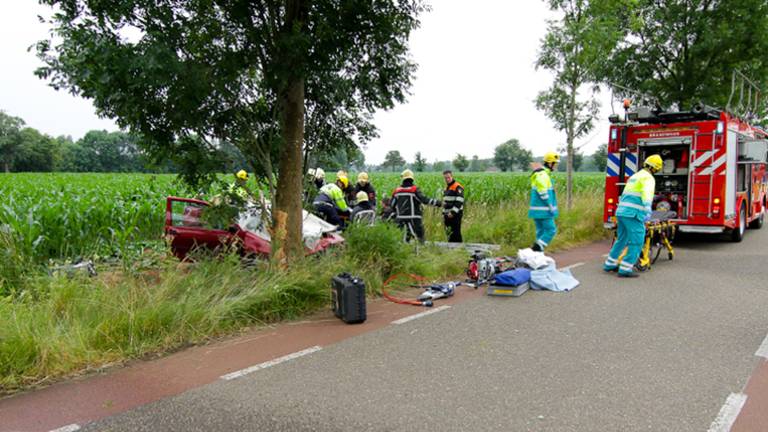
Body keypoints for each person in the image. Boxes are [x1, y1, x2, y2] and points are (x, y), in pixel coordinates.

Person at [603, 154, 663, 277]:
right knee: (637, 241)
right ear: (655, 168)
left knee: (621, 239)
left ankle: (610, 264)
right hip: (633, 214)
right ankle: (625, 269)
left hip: (621, 212)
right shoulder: (648, 178)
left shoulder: (635, 176)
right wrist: (647, 208)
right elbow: (646, 193)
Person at [391, 169, 441, 242]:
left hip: (401, 218)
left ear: (403, 179)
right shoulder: (414, 189)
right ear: (412, 178)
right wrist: (438, 203)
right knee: (420, 237)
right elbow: (424, 200)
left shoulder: (397, 191)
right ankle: (422, 250)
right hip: (414, 218)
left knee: (402, 238)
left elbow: (392, 205)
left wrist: (396, 213)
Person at [528, 152, 560, 252]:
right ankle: (536, 249)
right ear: (550, 164)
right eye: (555, 163)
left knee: (540, 232)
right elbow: (542, 191)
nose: (556, 166)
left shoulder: (542, 173)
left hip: (537, 210)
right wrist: (549, 205)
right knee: (551, 230)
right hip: (544, 210)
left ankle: (537, 256)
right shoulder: (543, 175)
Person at [441, 170, 464, 242]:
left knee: (456, 234)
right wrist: (443, 213)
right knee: (449, 233)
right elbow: (446, 202)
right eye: (445, 178)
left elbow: (459, 201)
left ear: (452, 176)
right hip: (447, 214)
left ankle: (459, 250)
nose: (447, 179)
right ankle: (451, 251)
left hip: (455, 214)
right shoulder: (446, 188)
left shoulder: (457, 186)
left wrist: (453, 212)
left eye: (448, 177)